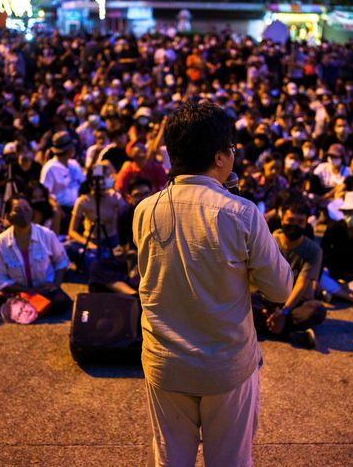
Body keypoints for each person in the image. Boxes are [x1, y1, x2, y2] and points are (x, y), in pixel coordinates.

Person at [133, 100, 292, 466]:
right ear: (220, 157)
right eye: (232, 150)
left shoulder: (145, 210)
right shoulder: (242, 213)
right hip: (225, 366)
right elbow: (280, 289)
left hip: (165, 362)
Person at [252, 199, 326, 348]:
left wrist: (284, 312)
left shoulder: (313, 250)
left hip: (294, 301)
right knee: (241, 301)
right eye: (290, 220)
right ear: (282, 219)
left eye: (300, 221)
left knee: (317, 310)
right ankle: (291, 334)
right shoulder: (270, 242)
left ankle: (268, 327)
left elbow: (302, 283)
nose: (294, 225)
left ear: (306, 224)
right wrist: (269, 309)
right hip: (267, 297)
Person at [0, 197, 72, 316]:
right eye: (18, 210)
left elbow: (62, 262)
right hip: (17, 292)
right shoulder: (2, 241)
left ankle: (23, 310)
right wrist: (25, 291)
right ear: (7, 216)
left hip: (44, 291)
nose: (23, 213)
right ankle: (31, 308)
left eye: (27, 208)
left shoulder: (47, 235)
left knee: (62, 303)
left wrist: (55, 285)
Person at [40, 131, 85, 233]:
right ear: (68, 150)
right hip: (63, 209)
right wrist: (57, 207)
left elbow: (83, 184)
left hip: (80, 206)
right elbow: (45, 193)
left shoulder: (74, 164)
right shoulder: (50, 168)